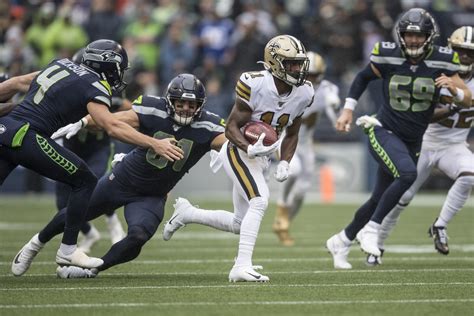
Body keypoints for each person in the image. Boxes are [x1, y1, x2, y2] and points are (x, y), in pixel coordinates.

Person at [12, 73, 226, 278]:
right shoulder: (154, 109)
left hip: (152, 195)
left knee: (138, 237)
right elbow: (112, 120)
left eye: (192, 104)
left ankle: (92, 269)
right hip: (123, 180)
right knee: (75, 212)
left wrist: (250, 144)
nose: (186, 109)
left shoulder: (208, 125)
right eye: (181, 103)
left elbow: (230, 142)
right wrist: (85, 122)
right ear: (170, 101)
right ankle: (33, 245)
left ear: (201, 105)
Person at [8, 39, 184, 276]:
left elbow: (17, 82)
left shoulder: (59, 64)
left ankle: (51, 244)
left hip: (6, 127)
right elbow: (111, 125)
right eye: (119, 67)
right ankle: (68, 248)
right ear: (107, 65)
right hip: (27, 135)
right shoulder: (96, 85)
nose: (121, 73)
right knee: (85, 181)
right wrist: (154, 143)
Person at [326, 8, 471, 270]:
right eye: (408, 35)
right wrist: (348, 108)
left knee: (378, 198)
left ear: (430, 37)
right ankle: (370, 230)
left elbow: (467, 97)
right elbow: (362, 77)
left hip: (413, 138)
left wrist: (455, 93)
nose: (413, 40)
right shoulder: (388, 54)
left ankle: (341, 240)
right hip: (382, 129)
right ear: (400, 35)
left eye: (419, 36)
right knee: (407, 175)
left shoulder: (445, 60)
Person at [162, 34, 315, 282]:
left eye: (299, 63)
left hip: (262, 157)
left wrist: (285, 161)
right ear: (274, 63)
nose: (298, 69)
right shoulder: (254, 83)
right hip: (237, 149)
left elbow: (293, 132)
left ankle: (187, 214)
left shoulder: (305, 92)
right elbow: (231, 127)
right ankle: (241, 266)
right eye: (291, 64)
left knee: (239, 223)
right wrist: (248, 147)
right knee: (260, 200)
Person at [366, 26, 474, 265]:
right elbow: (423, 114)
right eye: (460, 51)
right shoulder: (435, 70)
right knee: (402, 197)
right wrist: (452, 106)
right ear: (450, 49)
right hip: (424, 140)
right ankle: (377, 247)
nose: (465, 57)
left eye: (470, 52)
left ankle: (440, 225)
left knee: (469, 176)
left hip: (454, 144)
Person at [54, 48, 127, 253]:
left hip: (97, 147)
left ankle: (112, 221)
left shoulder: (108, 89)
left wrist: (114, 105)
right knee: (62, 203)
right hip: (72, 146)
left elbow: (131, 109)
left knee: (93, 185)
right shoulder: (68, 88)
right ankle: (89, 233)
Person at [273, 51, 340, 246]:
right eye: (307, 75)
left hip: (305, 144)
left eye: (314, 76)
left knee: (302, 192)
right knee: (292, 171)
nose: (310, 80)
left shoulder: (326, 89)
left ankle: (283, 224)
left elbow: (331, 104)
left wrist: (335, 110)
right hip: (286, 138)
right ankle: (281, 209)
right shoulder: (290, 88)